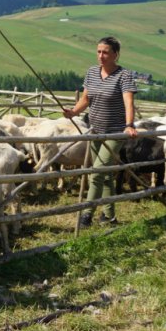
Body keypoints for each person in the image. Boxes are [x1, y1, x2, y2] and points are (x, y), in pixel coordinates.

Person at [63, 36, 138, 226]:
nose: (101, 56)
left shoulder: (124, 75)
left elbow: (129, 102)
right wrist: (73, 112)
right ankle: (109, 216)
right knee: (103, 175)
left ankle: (87, 214)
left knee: (97, 173)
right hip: (95, 130)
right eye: (98, 52)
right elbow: (86, 99)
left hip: (114, 132)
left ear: (115, 54)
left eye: (105, 52)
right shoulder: (91, 72)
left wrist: (129, 124)